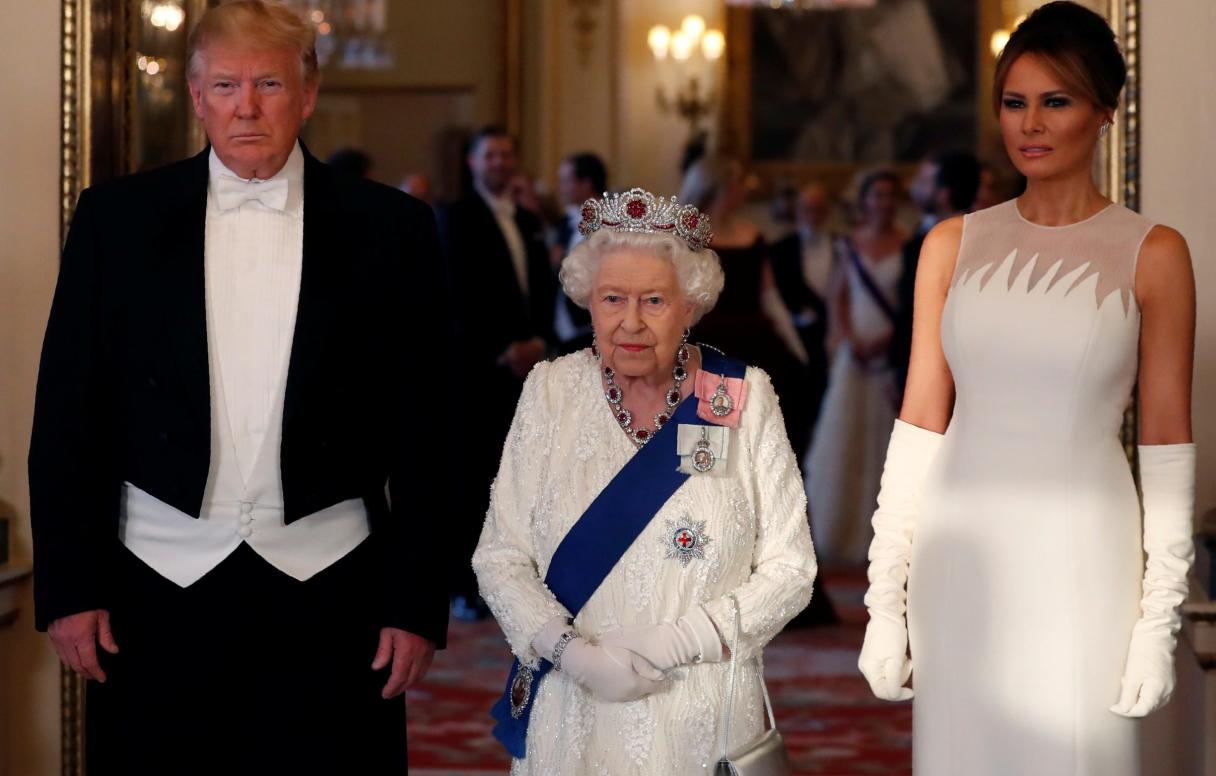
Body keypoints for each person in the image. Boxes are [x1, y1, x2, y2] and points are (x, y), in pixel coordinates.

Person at [29, 2, 446, 773]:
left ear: (308, 94)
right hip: (153, 586)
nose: (245, 106)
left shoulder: (392, 229)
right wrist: (67, 586)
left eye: (268, 84)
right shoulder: (115, 221)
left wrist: (416, 602)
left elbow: (427, 432)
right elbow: (66, 417)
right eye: (224, 85)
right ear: (195, 97)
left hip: (330, 586)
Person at [858, 4, 1197, 775]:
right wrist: (884, 600)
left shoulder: (1154, 253)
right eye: (1014, 102)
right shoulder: (950, 244)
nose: (1030, 124)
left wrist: (1156, 621)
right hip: (960, 556)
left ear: (1103, 113)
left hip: (1083, 555)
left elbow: (1167, 446)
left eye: (1056, 101)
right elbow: (917, 427)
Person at [472, 188, 815, 774]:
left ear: (691, 305)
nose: (630, 323)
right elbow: (499, 558)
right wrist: (571, 654)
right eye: (612, 299)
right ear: (588, 303)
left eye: (654, 300)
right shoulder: (550, 392)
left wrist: (675, 643)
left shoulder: (741, 396)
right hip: (572, 702)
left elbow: (791, 570)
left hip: (699, 706)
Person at [438, 126, 557, 621]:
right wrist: (501, 348)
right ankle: (466, 585)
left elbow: (543, 290)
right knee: (473, 478)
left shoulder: (529, 220)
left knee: (520, 478)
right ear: (472, 162)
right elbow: (454, 293)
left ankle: (514, 582)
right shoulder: (455, 218)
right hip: (477, 369)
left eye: (507, 154)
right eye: (491, 155)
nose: (500, 163)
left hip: (525, 368)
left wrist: (538, 342)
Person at [803, 169, 908, 566]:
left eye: (888, 195)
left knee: (886, 446)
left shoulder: (908, 244)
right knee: (846, 441)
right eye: (875, 195)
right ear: (864, 202)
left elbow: (908, 306)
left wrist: (886, 343)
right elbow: (838, 298)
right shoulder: (848, 246)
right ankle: (841, 533)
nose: (882, 203)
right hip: (854, 356)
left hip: (889, 357)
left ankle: (885, 538)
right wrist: (849, 339)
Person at [679, 157, 811, 456]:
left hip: (756, 346)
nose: (743, 190)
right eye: (738, 183)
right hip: (707, 348)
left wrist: (795, 346)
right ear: (719, 187)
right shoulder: (686, 240)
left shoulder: (752, 236)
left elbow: (769, 298)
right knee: (707, 445)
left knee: (757, 443)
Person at [890, 150, 980, 402]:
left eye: (924, 180)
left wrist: (897, 366)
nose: (914, 186)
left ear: (944, 193)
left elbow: (912, 308)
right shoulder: (921, 233)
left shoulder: (958, 239)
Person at [770, 182, 836, 427]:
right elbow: (774, 294)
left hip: (833, 337)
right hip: (795, 339)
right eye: (808, 209)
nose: (813, 216)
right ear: (797, 212)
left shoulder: (841, 246)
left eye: (819, 209)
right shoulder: (779, 249)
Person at [551, 151, 608, 353]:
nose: (561, 188)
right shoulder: (566, 222)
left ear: (586, 183)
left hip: (591, 328)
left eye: (566, 181)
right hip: (561, 330)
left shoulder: (609, 224)